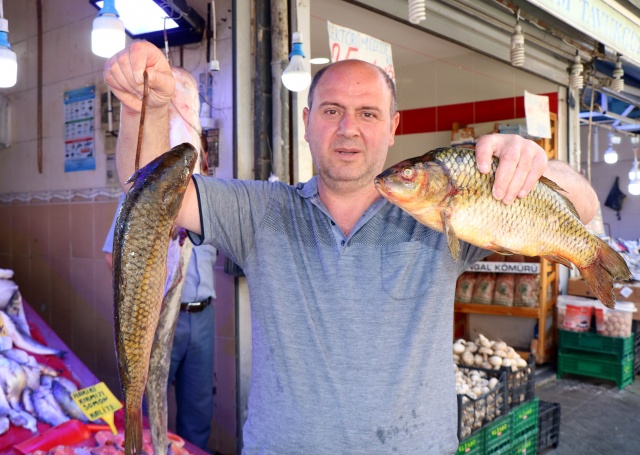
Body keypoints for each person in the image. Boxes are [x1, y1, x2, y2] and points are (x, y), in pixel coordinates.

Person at [104, 41, 598, 454]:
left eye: (367, 113)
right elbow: (152, 198)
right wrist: (143, 107)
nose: (348, 128)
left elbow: (586, 208)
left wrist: (538, 167)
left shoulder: (450, 213)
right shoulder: (259, 211)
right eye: (332, 110)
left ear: (393, 126)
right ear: (307, 119)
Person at [103, 194, 217, 451]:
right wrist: (145, 303)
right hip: (160, 316)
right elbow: (113, 256)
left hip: (203, 316)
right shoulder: (146, 194)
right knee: (148, 406)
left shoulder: (208, 200)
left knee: (198, 410)